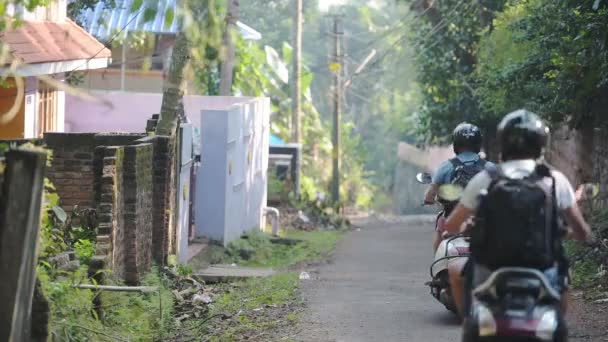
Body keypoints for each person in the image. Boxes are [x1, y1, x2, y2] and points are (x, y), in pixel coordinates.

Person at [443, 109, 594, 317]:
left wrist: (465, 227)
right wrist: (582, 235)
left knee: (454, 271)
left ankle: (469, 323)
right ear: (541, 144)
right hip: (543, 268)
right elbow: (581, 230)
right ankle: (558, 326)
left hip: (491, 268)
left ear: (503, 142)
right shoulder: (554, 180)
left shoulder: (486, 178)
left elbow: (451, 225)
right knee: (566, 276)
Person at [424, 122, 492, 251]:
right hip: (483, 221)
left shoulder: (446, 167)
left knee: (441, 225)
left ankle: (439, 264)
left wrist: (429, 199)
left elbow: (430, 194)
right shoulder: (490, 168)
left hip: (453, 219)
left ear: (456, 144)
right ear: (478, 144)